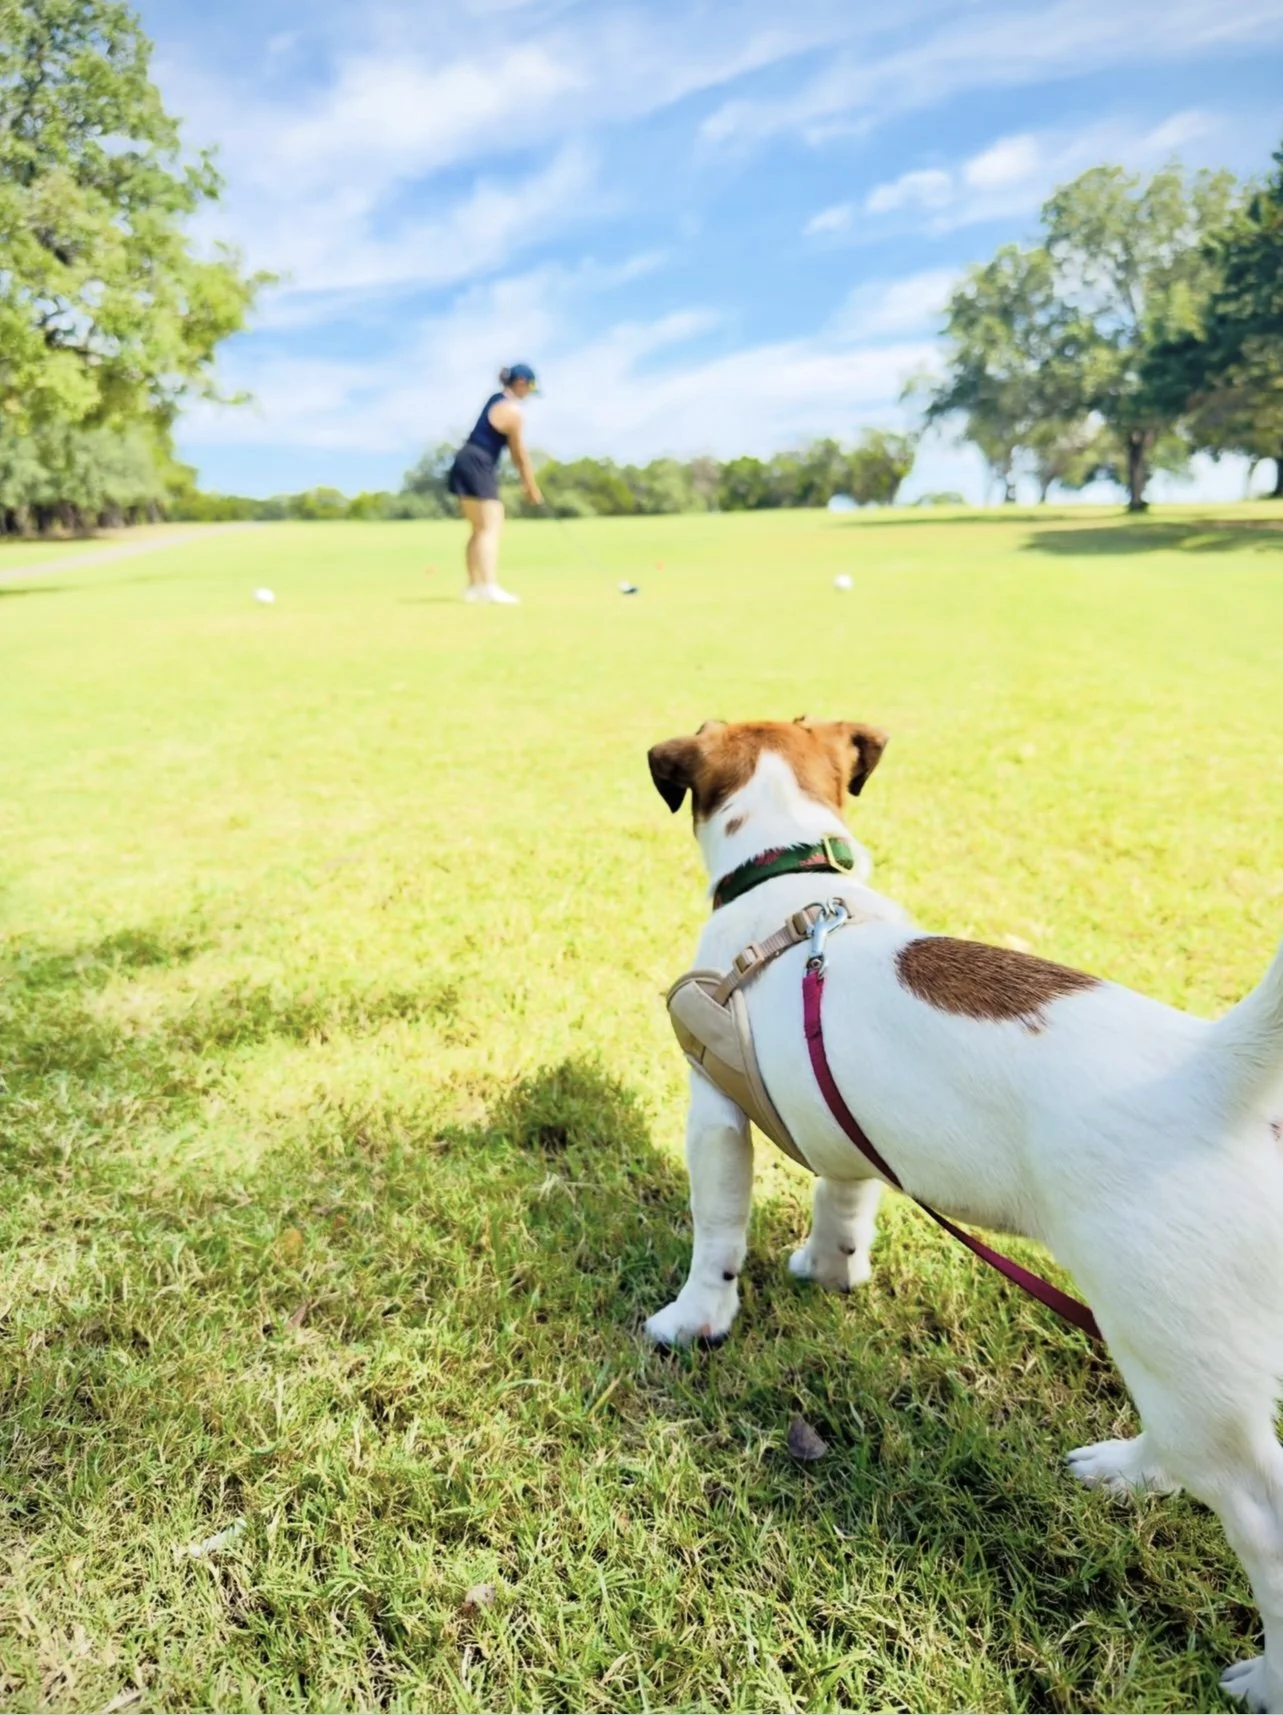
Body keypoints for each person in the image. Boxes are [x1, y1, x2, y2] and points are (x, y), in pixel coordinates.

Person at [446, 364, 543, 604]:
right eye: (529, 388)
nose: (528, 394)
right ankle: (489, 587)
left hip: (464, 459)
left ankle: (474, 587)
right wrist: (531, 487)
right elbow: (519, 453)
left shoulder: (495, 400)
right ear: (521, 382)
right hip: (479, 461)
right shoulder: (512, 410)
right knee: (491, 526)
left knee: (479, 528)